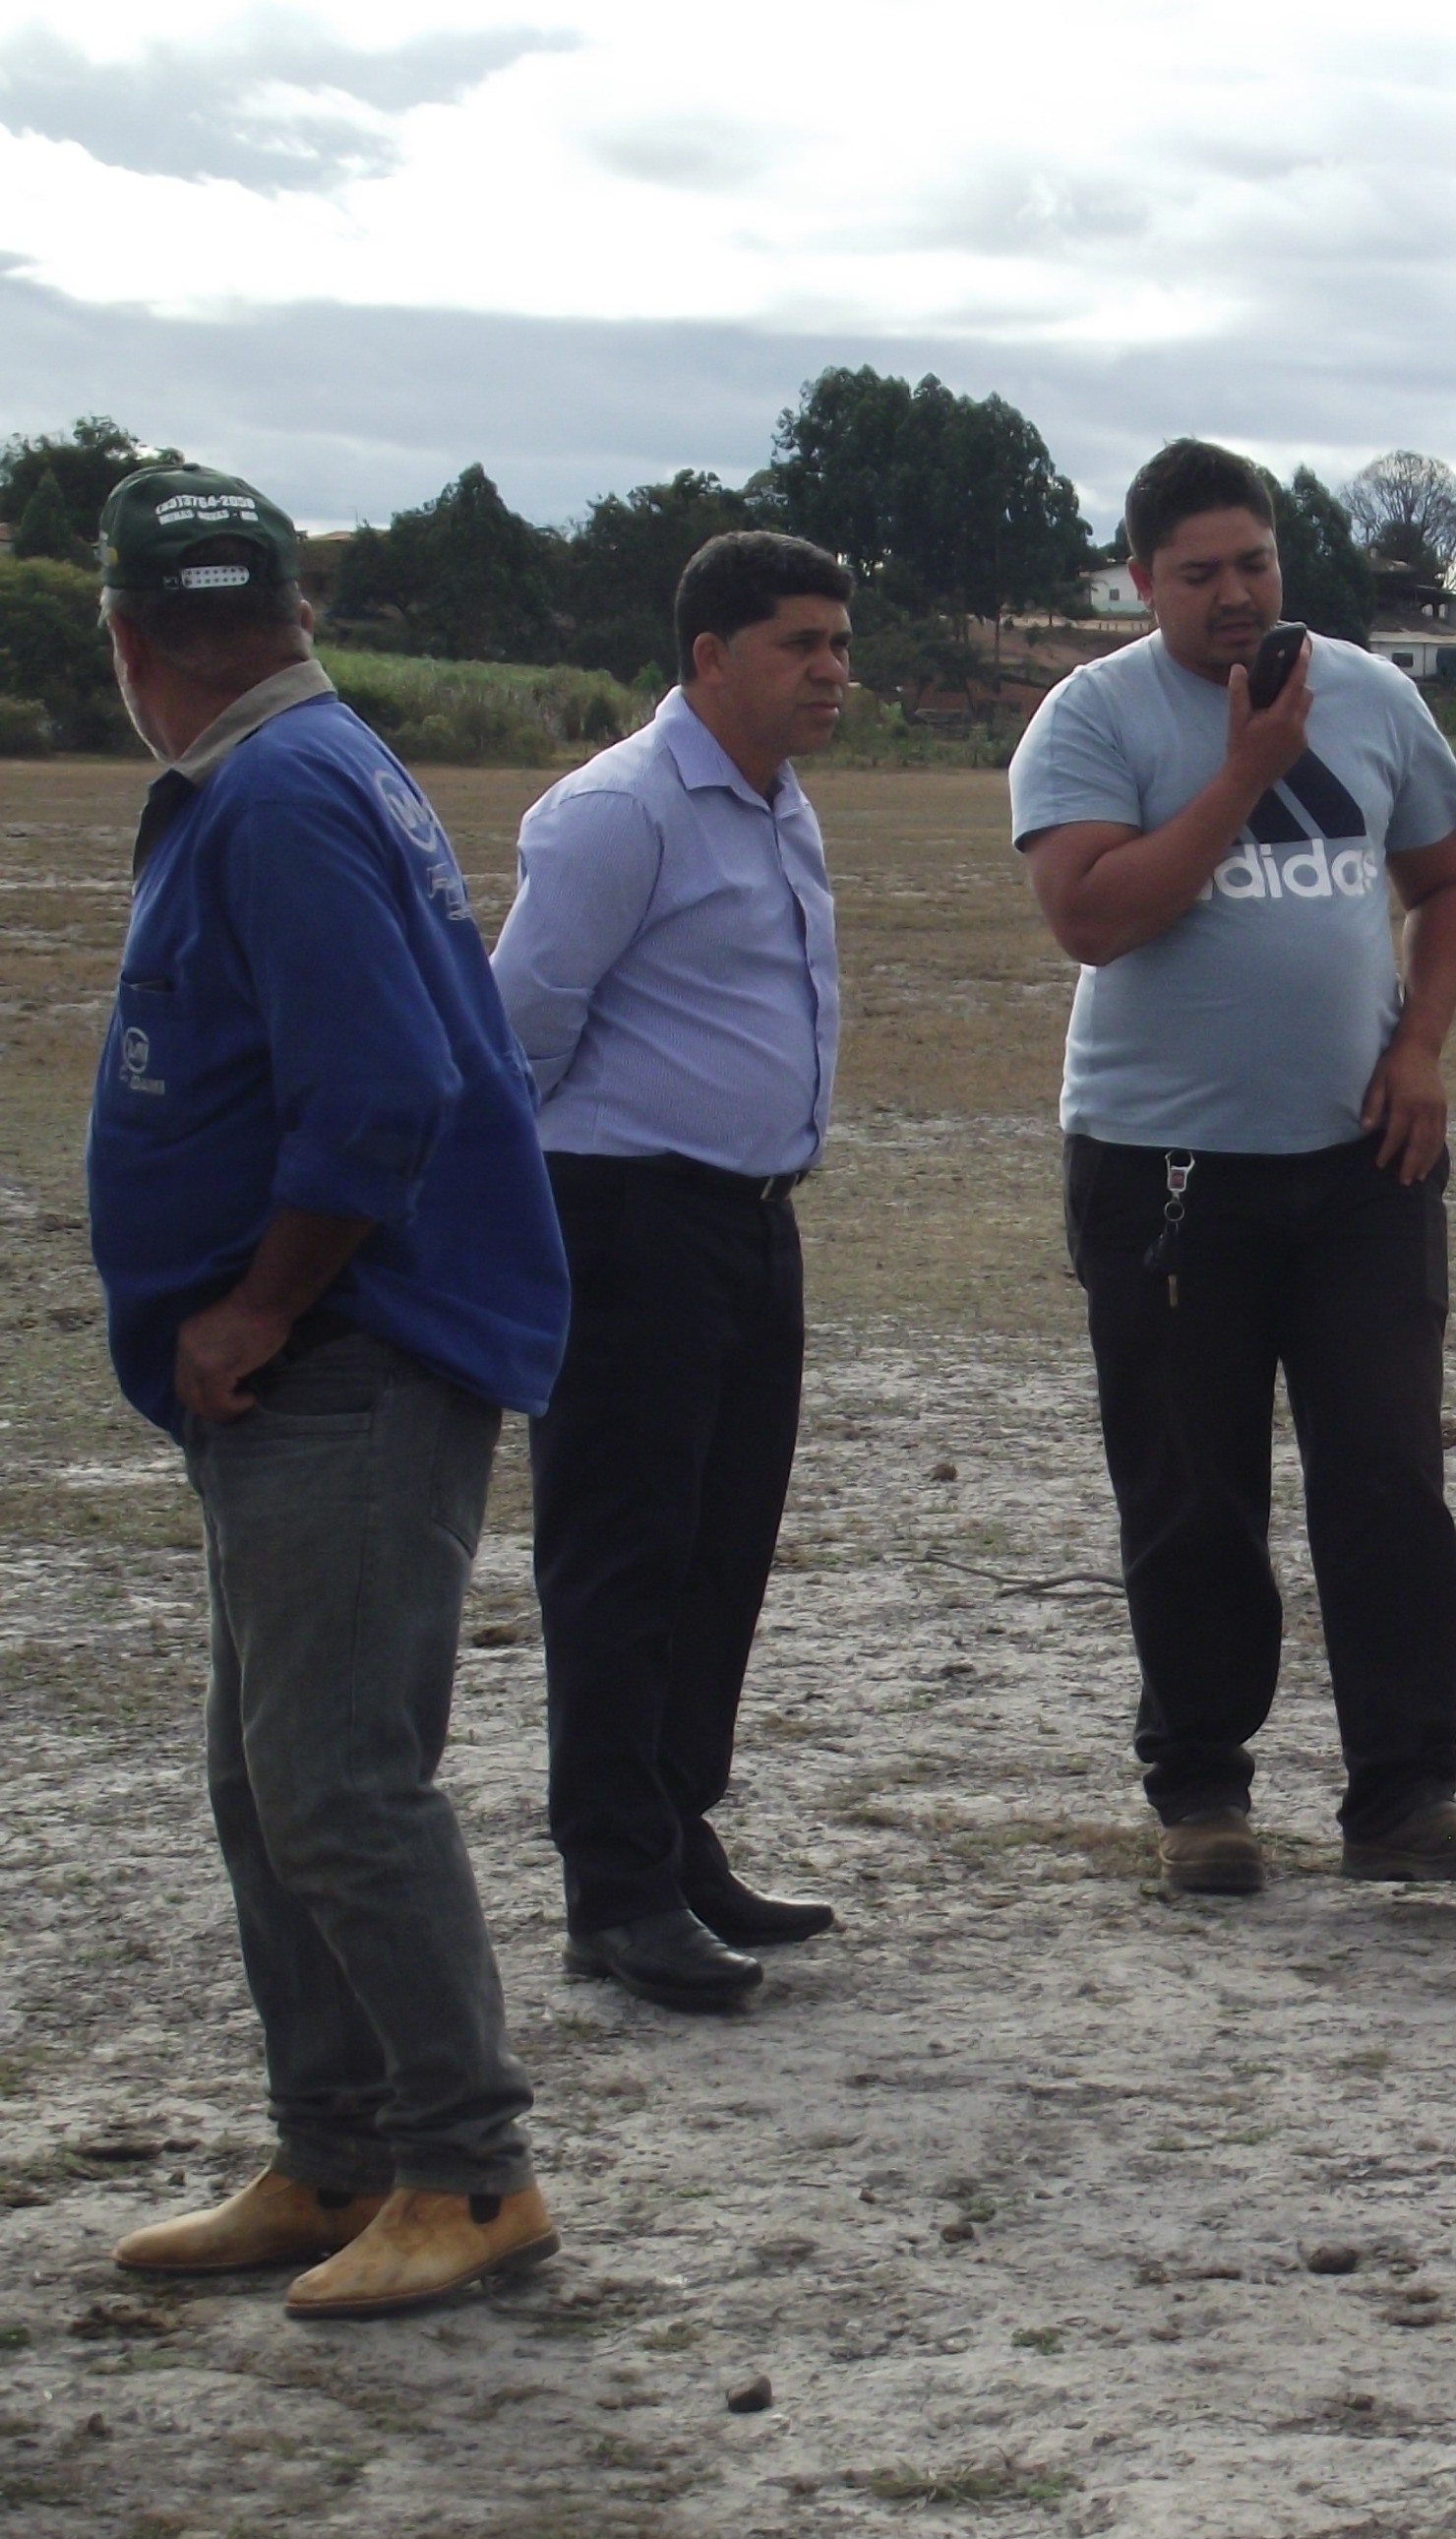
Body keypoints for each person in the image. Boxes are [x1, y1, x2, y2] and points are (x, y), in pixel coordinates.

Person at [84, 463, 571, 2317]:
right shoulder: (311, 760)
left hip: (350, 1353)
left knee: (340, 1781)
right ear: (294, 610)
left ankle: (469, 2168)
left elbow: (379, 1095)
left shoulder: (280, 793)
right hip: (320, 1356)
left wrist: (258, 1305)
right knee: (264, 1772)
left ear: (125, 638)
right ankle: (334, 2144)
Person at [1011, 439, 1456, 1894]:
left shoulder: (1374, 697)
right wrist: (1243, 769)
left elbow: (1444, 890)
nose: (1235, 597)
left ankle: (1406, 1795)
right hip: (1163, 1172)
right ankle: (1203, 1798)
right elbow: (1096, 919)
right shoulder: (1089, 718)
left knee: (1388, 1483)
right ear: (1140, 580)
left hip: (1365, 1162)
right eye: (1199, 574)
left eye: (1255, 564)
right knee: (1192, 1495)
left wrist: (1419, 1049)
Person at [493, 532, 855, 2013]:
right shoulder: (616, 813)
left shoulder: (779, 804)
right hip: (628, 1221)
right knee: (625, 1556)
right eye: (799, 644)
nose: (834, 670)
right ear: (709, 656)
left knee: (722, 1547)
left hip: (749, 1223)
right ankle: (614, 1892)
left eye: (840, 642)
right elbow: (516, 1031)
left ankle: (675, 1829)